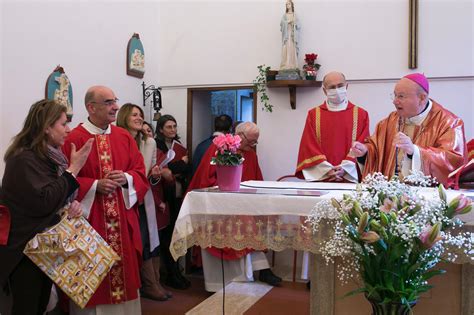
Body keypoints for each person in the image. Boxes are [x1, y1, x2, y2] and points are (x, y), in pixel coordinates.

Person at [0, 99, 93, 314]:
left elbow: (55, 198)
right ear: (47, 127)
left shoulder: (48, 157)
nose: (68, 129)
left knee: (40, 306)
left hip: (44, 247)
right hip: (24, 252)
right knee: (27, 308)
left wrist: (70, 206)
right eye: (63, 124)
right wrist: (74, 169)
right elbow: (44, 201)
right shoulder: (24, 159)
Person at [63, 86, 149, 314]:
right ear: (91, 107)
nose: (116, 107)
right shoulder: (74, 138)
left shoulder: (123, 136)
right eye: (109, 102)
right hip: (92, 223)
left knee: (125, 276)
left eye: (115, 101)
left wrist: (127, 178)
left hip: (121, 219)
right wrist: (93, 185)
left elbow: (140, 172)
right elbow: (61, 180)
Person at [187, 122, 282, 292]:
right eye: (251, 141)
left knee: (257, 225)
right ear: (239, 135)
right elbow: (206, 179)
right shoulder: (220, 149)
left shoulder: (251, 154)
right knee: (246, 228)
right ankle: (256, 273)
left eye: (255, 142)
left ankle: (259, 271)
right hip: (219, 207)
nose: (252, 146)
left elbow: (256, 181)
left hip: (243, 205)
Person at [351, 73, 467, 185]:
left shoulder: (449, 123)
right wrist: (365, 152)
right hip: (389, 196)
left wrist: (415, 152)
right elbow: (376, 150)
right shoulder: (390, 121)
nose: (395, 101)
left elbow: (453, 162)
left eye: (401, 96)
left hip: (425, 199)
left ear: (422, 98)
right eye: (395, 95)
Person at [116, 104, 171, 301]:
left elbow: (150, 175)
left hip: (142, 197)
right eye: (134, 115)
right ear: (124, 117)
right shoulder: (115, 139)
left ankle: (151, 283)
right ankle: (140, 284)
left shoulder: (149, 143)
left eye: (140, 114)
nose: (139, 118)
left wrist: (155, 176)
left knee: (148, 240)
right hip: (122, 197)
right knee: (131, 242)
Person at [296, 71, 370, 182]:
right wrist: (327, 170)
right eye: (332, 87)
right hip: (323, 178)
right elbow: (309, 146)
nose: (337, 90)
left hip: (349, 178)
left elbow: (363, 146)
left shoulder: (361, 114)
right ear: (324, 91)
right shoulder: (314, 114)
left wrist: (345, 169)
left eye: (340, 86)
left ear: (347, 86)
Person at [154, 114, 191, 289]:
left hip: (178, 193)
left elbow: (187, 168)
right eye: (169, 127)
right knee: (166, 236)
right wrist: (179, 165)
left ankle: (176, 271)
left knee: (177, 234)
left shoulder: (179, 147)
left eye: (174, 126)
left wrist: (179, 167)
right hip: (163, 196)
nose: (173, 130)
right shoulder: (155, 145)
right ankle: (169, 274)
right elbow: (162, 170)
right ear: (160, 129)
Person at [280, 0, 299, 70]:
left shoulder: (294, 15)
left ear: (291, 5)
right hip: (287, 34)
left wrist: (294, 23)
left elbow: (298, 25)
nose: (287, 5)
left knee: (292, 48)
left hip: (292, 35)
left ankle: (293, 65)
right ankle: (286, 64)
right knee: (286, 48)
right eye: (286, 4)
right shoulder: (285, 15)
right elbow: (281, 23)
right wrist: (288, 22)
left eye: (289, 4)